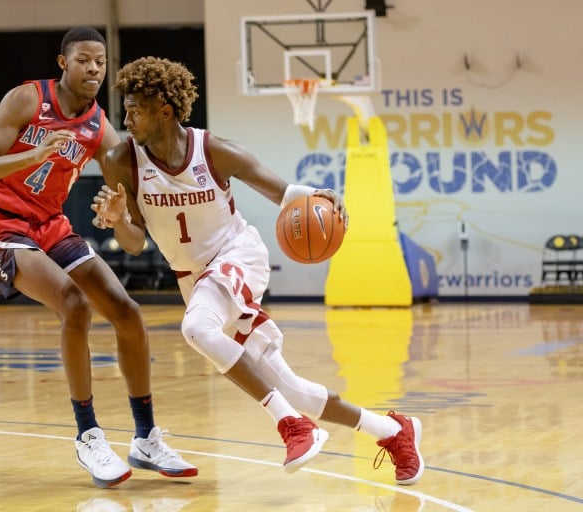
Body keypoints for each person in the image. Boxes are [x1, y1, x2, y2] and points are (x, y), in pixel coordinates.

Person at [92, 56, 424, 484]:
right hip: (194, 279)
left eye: (136, 108)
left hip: (237, 257)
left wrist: (324, 198)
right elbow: (135, 244)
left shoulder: (214, 151)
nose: (127, 118)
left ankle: (292, 426)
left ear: (165, 111)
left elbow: (284, 192)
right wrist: (120, 220)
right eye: (126, 109)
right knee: (289, 387)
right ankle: (396, 431)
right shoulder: (122, 160)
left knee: (196, 330)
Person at [0, 29, 196, 488]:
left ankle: (146, 437)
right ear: (63, 64)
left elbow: (134, 190)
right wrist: (32, 153)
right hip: (0, 223)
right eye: (84, 60)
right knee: (73, 302)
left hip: (52, 226)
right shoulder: (27, 100)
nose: (93, 69)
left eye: (100, 62)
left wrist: (124, 212)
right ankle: (88, 434)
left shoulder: (98, 126)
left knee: (126, 311)